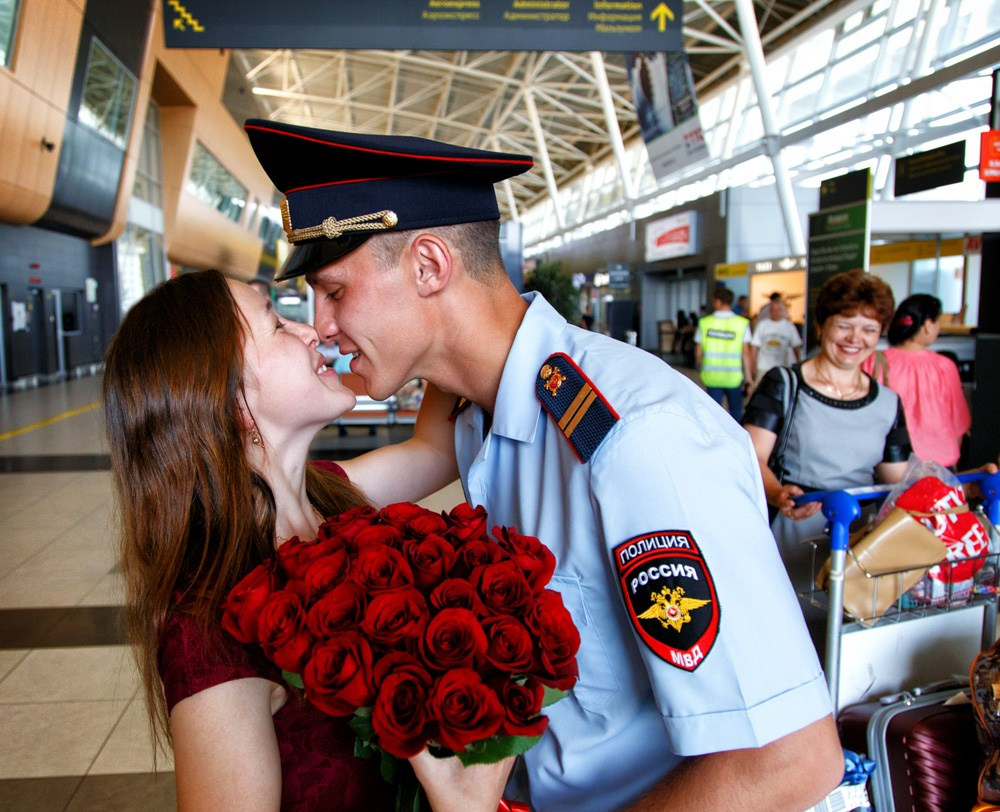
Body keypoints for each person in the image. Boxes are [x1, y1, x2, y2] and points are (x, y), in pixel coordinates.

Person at [245, 118, 842, 812]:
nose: (319, 324)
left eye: (335, 290)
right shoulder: (481, 411)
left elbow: (790, 761)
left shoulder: (635, 439)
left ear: (430, 266)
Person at [103, 269, 511, 812]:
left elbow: (435, 450)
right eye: (275, 324)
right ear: (234, 403)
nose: (310, 331)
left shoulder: (330, 496)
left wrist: (430, 315)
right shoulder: (209, 631)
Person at [742, 270, 911, 623]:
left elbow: (898, 478)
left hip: (861, 543)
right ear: (822, 326)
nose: (855, 339)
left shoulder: (889, 402)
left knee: (847, 638)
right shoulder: (785, 384)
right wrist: (777, 492)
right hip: (793, 530)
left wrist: (956, 486)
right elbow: (750, 454)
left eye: (869, 329)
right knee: (789, 627)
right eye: (845, 325)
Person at [861, 294, 970, 469]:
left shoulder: (873, 361)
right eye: (937, 322)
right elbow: (958, 423)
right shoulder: (945, 366)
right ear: (927, 325)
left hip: (888, 465)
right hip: (939, 466)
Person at [694, 287, 752, 422]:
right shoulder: (742, 324)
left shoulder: (704, 323)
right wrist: (749, 378)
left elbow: (698, 352)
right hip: (734, 378)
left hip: (711, 377)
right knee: (736, 414)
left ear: (718, 302)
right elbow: (746, 353)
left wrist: (700, 367)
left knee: (714, 416)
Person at [750, 298, 802, 387]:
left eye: (779, 310)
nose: (776, 312)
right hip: (764, 367)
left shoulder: (789, 327)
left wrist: (798, 367)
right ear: (770, 311)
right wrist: (752, 365)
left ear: (783, 311)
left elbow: (795, 347)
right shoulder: (762, 325)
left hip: (783, 368)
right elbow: (755, 347)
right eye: (773, 310)